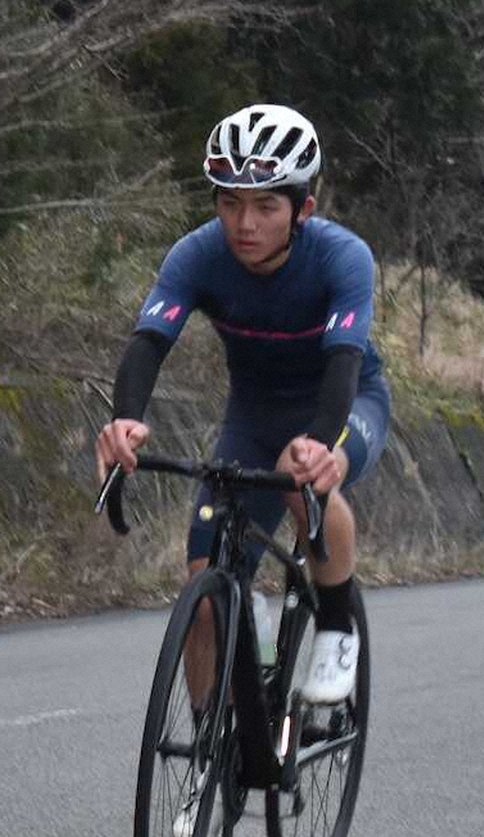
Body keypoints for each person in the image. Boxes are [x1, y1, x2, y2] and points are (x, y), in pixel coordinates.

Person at [96, 103, 390, 708]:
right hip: (252, 416)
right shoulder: (198, 255)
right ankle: (211, 756)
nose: (243, 223)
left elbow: (342, 362)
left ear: (302, 210)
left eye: (264, 206)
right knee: (204, 604)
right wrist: (124, 417)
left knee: (298, 468)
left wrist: (323, 441)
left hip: (344, 400)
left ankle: (337, 628)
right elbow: (150, 340)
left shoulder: (343, 257)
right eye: (228, 202)